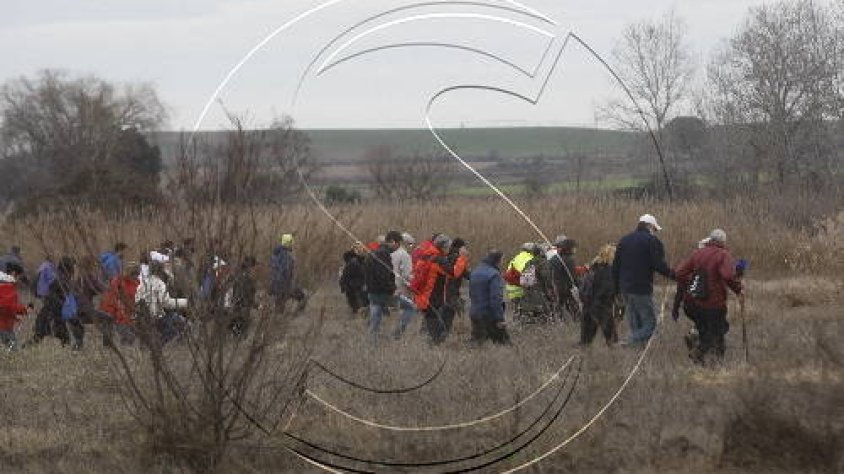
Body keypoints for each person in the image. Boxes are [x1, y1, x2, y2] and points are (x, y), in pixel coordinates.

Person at [674, 229, 745, 364]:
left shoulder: (697, 253)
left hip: (694, 303)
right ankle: (699, 353)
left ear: (710, 240)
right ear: (723, 242)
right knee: (717, 331)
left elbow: (679, 273)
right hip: (714, 304)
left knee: (706, 331)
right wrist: (739, 289)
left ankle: (713, 362)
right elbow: (728, 276)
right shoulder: (723, 255)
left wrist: (693, 283)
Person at [612, 214, 675, 346]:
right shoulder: (652, 241)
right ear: (649, 226)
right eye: (655, 229)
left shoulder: (624, 240)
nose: (655, 232)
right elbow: (659, 265)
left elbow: (615, 267)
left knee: (635, 323)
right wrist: (673, 275)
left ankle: (635, 351)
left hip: (624, 288)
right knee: (651, 324)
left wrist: (616, 290)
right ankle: (627, 342)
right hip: (641, 288)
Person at [413, 234, 458, 344]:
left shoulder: (425, 256)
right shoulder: (439, 260)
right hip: (432, 297)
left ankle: (429, 341)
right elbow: (454, 273)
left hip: (422, 295)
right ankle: (433, 345)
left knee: (430, 320)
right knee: (436, 325)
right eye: (448, 247)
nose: (449, 249)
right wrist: (462, 259)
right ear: (443, 247)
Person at [135, 261, 189, 345]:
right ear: (160, 271)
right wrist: (185, 302)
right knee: (182, 324)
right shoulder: (160, 284)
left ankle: (155, 345)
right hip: (157, 317)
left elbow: (137, 300)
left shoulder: (142, 284)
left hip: (143, 317)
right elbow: (167, 303)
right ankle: (159, 346)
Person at [364, 231, 401, 341]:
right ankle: (373, 341)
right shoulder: (383, 254)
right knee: (376, 317)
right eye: (398, 244)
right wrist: (392, 289)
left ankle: (374, 339)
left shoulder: (376, 252)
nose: (398, 247)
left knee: (376, 317)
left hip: (373, 290)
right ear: (393, 242)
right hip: (379, 292)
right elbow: (382, 276)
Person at [580, 244, 619, 345]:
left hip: (588, 305)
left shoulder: (593, 267)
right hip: (602, 305)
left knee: (585, 341)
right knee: (612, 339)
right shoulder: (608, 271)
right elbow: (608, 288)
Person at [469, 250, 510, 345]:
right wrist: (499, 319)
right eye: (502, 260)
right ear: (497, 261)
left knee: (477, 345)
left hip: (475, 312)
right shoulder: (494, 275)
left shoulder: (475, 271)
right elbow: (496, 298)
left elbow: (471, 293)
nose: (502, 263)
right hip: (489, 315)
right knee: (504, 344)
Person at [99, 262, 141, 345]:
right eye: (134, 274)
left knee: (129, 333)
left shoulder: (137, 282)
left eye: (137, 274)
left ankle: (124, 346)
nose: (136, 277)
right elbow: (113, 297)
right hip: (114, 308)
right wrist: (119, 311)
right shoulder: (118, 282)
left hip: (128, 310)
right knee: (116, 330)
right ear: (129, 273)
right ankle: (109, 347)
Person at [269, 234, 307, 312]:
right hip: (283, 285)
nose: (293, 246)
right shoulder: (286, 256)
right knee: (303, 296)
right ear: (288, 243)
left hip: (274, 284)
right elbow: (286, 272)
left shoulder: (275, 254)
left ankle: (278, 321)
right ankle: (294, 316)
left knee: (279, 307)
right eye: (292, 243)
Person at [517, 244, 554, 324]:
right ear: (542, 252)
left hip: (527, 295)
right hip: (540, 295)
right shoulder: (543, 263)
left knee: (531, 320)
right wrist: (551, 293)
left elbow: (523, 280)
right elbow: (547, 279)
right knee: (545, 320)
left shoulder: (528, 263)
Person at [391, 232, 417, 339]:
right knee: (410, 308)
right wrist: (416, 280)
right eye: (411, 244)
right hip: (402, 288)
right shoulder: (405, 255)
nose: (412, 247)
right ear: (406, 243)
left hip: (392, 287)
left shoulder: (392, 253)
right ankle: (398, 333)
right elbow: (407, 275)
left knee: (396, 310)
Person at [0, 263, 31, 351]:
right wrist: (22, 311)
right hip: (3, 326)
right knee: (14, 352)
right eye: (19, 277)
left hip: (5, 325)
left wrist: (19, 313)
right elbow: (6, 307)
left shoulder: (3, 284)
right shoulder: (7, 286)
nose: (19, 280)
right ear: (13, 273)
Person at [549, 237, 581, 321]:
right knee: (575, 310)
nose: (575, 249)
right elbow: (573, 276)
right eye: (574, 247)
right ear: (569, 248)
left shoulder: (555, 258)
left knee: (559, 308)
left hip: (557, 287)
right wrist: (579, 286)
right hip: (566, 288)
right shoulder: (569, 260)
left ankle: (559, 322)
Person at [226, 256, 258, 336]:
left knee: (235, 323)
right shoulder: (247, 278)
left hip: (236, 304)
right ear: (251, 267)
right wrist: (255, 304)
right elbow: (247, 293)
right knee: (240, 326)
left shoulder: (238, 274)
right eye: (254, 267)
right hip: (242, 305)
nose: (255, 269)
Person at [503, 243, 536, 310]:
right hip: (522, 290)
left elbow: (508, 272)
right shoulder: (531, 259)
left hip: (511, 291)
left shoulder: (515, 258)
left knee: (517, 311)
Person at [340, 245, 368, 316]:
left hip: (355, 288)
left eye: (363, 250)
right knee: (358, 308)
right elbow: (347, 276)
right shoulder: (354, 262)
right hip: (355, 289)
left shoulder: (359, 262)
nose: (363, 252)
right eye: (360, 250)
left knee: (358, 309)